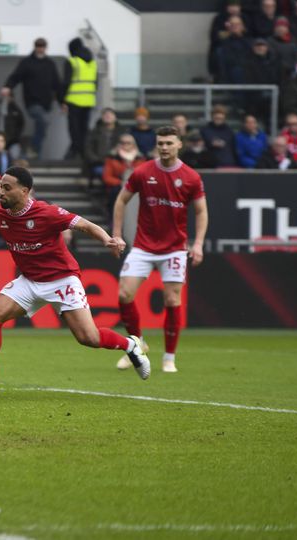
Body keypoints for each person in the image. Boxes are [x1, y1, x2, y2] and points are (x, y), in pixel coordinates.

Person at [0, 166, 150, 398]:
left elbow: (86, 225)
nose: (1, 193)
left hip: (61, 280)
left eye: (7, 188)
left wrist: (108, 239)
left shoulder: (48, 213)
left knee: (88, 338)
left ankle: (130, 345)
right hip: (29, 280)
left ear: (24, 191)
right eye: (1, 187)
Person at [113, 126, 208, 374]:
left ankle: (169, 357)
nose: (164, 147)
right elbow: (121, 200)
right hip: (144, 246)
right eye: (160, 143)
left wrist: (197, 243)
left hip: (175, 248)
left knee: (172, 299)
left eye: (169, 143)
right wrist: (116, 234)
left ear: (179, 145)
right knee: (124, 295)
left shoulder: (191, 177)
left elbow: (200, 211)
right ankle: (138, 344)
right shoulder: (143, 171)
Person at [1, 37, 62, 159]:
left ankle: (35, 152)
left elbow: (57, 84)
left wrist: (62, 102)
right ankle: (33, 147)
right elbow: (16, 76)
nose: (40, 49)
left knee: (42, 126)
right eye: (38, 46)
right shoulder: (26, 63)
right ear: (35, 47)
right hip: (32, 101)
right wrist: (8, 86)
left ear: (45, 48)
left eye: (42, 46)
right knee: (43, 121)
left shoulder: (50, 64)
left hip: (46, 103)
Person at [63, 37, 97, 160]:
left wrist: (63, 100)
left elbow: (66, 82)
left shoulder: (73, 61)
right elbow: (96, 83)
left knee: (74, 129)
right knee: (84, 128)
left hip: (73, 100)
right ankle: (82, 152)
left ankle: (75, 151)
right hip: (89, 100)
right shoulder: (93, 62)